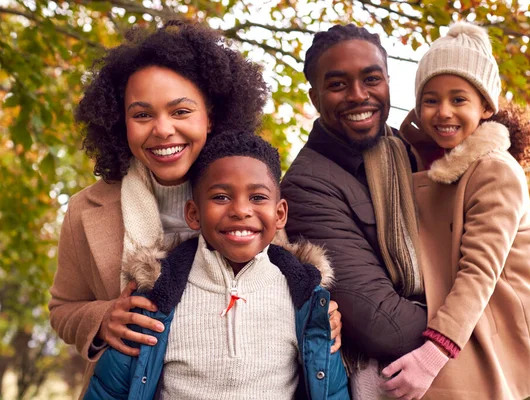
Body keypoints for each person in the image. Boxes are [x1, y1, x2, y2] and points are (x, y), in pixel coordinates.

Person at [48, 20, 341, 396]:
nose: (163, 129)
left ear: (211, 116)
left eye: (181, 111)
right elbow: (63, 307)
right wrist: (103, 320)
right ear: (120, 123)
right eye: (142, 115)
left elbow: (286, 286)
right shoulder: (86, 210)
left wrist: (320, 318)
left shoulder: (253, 197)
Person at [83, 132, 350, 399]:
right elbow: (109, 390)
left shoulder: (305, 300)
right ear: (194, 214)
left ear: (279, 214)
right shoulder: (156, 299)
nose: (241, 210)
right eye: (221, 197)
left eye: (257, 197)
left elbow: (331, 390)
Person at [379, 22, 530, 399]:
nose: (443, 111)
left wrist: (431, 356)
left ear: (485, 107)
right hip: (460, 313)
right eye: (430, 100)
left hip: (501, 321)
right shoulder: (426, 162)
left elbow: (479, 272)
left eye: (459, 99)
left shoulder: (495, 169)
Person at [280, 23, 428, 394]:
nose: (358, 95)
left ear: (389, 82)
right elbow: (385, 326)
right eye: (338, 85)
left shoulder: (412, 151)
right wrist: (471, 317)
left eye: (371, 79)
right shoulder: (307, 185)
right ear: (315, 98)